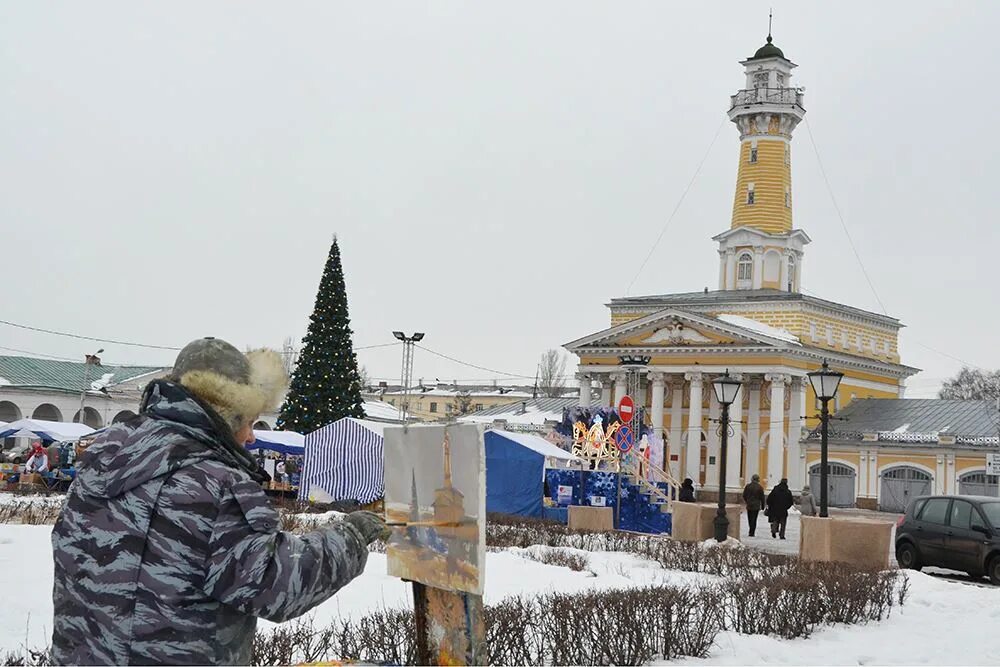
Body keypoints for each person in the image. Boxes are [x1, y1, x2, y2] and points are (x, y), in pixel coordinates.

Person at [51, 337, 388, 665]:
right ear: (227, 414)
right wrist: (352, 535)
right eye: (248, 421)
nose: (251, 437)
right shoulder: (216, 484)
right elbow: (277, 583)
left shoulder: (105, 458)